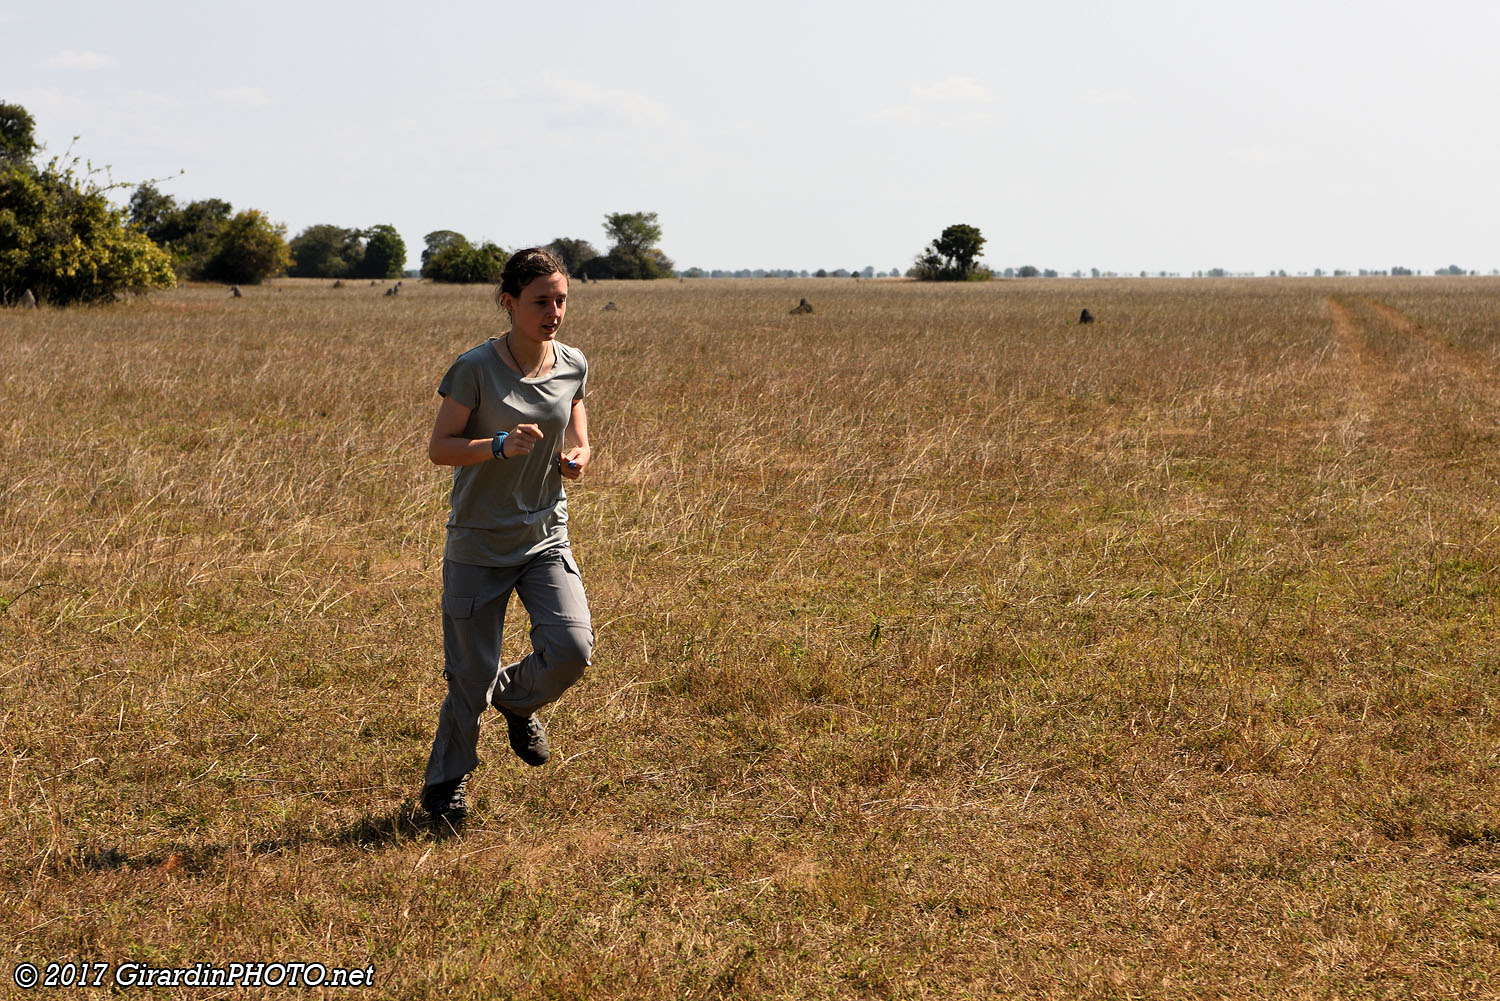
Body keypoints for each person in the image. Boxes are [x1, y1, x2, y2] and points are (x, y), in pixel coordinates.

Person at [420, 247, 594, 826]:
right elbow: (440, 447)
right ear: (509, 302)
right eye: (541, 301)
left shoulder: (573, 363)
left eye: (561, 300)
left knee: (571, 649)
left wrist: (577, 457)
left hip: (545, 533)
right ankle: (446, 785)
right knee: (468, 680)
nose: (554, 312)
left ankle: (517, 701)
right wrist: (495, 445)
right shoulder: (475, 367)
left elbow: (577, 428)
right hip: (478, 543)